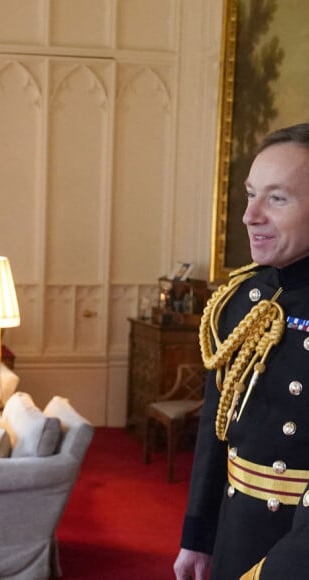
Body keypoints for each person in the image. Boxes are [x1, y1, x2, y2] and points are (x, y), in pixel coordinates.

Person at [174, 122, 309, 579]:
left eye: (276, 198)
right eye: (251, 194)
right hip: (236, 532)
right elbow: (218, 427)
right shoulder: (243, 298)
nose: (250, 215)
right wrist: (198, 536)